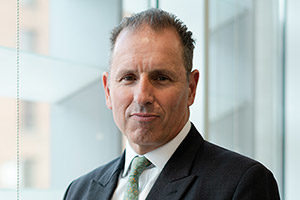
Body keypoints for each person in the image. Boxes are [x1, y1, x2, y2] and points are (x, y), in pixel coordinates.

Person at [63, 8, 280, 200]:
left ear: (191, 88)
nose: (142, 97)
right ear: (108, 90)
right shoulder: (78, 191)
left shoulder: (241, 183)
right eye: (128, 78)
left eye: (161, 78)